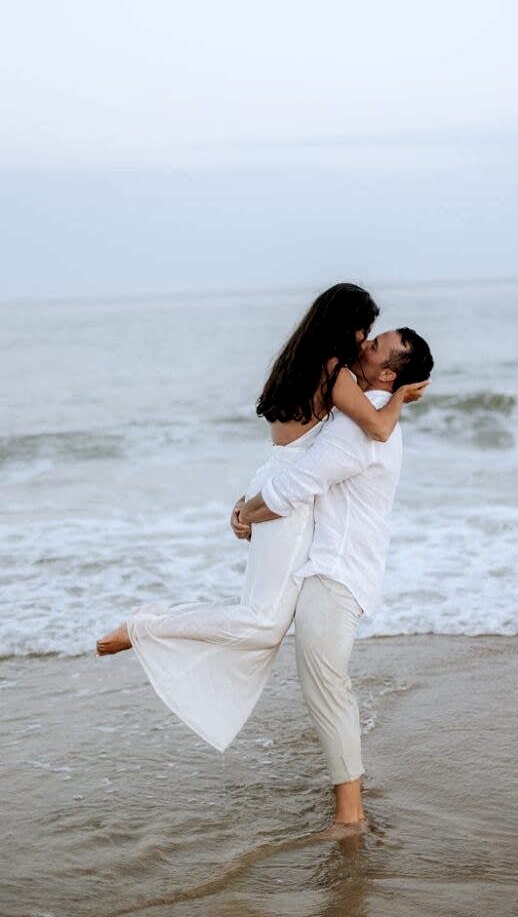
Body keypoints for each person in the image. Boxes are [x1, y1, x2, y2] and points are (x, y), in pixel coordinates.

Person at [95, 284, 427, 759]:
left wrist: (250, 501)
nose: (364, 341)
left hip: (273, 481)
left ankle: (148, 626)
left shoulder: (300, 359)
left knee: (261, 619)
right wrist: (401, 397)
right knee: (261, 624)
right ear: (345, 328)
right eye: (364, 331)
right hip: (286, 500)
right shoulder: (338, 375)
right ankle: (146, 626)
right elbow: (376, 429)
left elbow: (288, 448)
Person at [234, 326, 434, 833]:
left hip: (338, 570)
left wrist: (246, 516)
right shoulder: (367, 413)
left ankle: (351, 815)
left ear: (388, 372)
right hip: (335, 565)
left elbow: (298, 486)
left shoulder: (359, 424)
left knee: (326, 682)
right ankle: (348, 802)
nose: (363, 346)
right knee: (324, 681)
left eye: (375, 345)